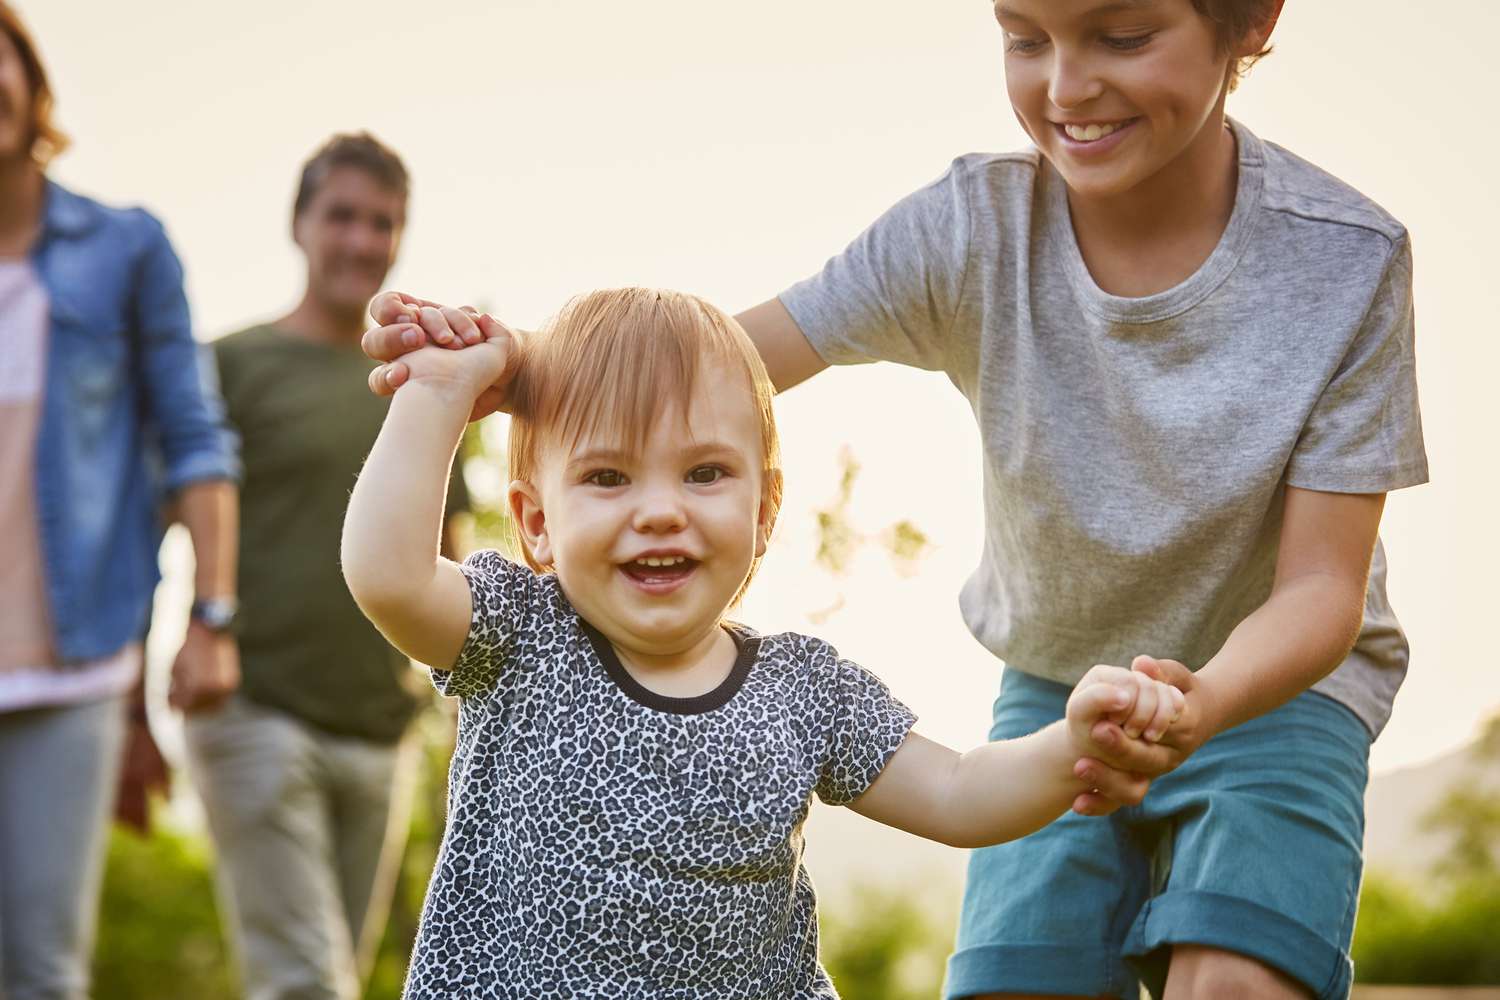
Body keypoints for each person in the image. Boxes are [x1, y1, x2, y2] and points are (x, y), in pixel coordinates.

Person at [362, 0, 1430, 996]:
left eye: (1120, 34)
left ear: (1248, 18)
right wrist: (501, 368)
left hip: (1275, 687)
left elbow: (1321, 593)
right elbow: (729, 363)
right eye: (1025, 37)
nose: (1066, 85)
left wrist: (1192, 706)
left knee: (1235, 978)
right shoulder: (974, 226)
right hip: (1059, 677)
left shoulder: (1346, 260)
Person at [340, 287, 1186, 997]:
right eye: (607, 477)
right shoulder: (518, 634)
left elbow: (960, 792)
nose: (661, 509)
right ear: (536, 523)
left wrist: (1074, 741)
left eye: (704, 472)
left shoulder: (803, 692)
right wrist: (438, 395)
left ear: (765, 510)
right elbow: (388, 574)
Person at [182, 133, 470, 1000]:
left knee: (333, 972)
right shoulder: (232, 366)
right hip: (255, 710)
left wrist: (471, 702)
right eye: (341, 215)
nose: (360, 240)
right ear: (299, 225)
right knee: (309, 982)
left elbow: (451, 556)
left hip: (382, 730)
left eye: (381, 223)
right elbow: (160, 524)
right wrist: (129, 700)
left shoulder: (424, 381)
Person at [0, 4, 240, 998]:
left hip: (71, 668)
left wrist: (210, 617)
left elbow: (193, 437)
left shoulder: (124, 248)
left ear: (32, 82)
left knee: (40, 971)